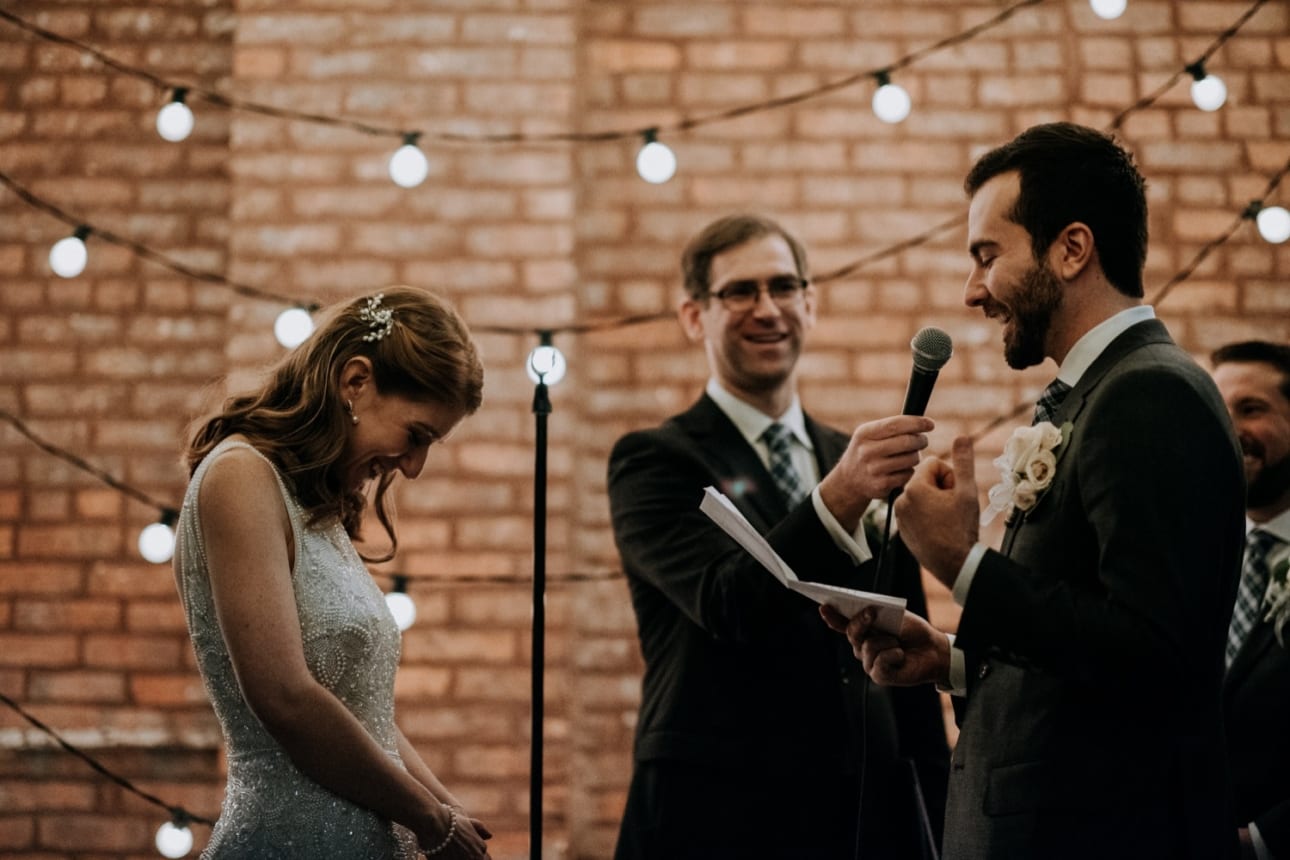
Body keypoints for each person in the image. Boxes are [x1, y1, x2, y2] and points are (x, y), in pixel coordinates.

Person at [823, 123, 1245, 858]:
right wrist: (953, 658)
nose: (972, 290)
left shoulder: (1151, 396)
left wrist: (962, 564)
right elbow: (1086, 642)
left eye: (988, 255)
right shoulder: (1101, 392)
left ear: (1071, 249)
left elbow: (1155, 657)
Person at [608, 214, 950, 860]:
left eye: (784, 287)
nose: (767, 309)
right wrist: (839, 497)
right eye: (740, 291)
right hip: (716, 817)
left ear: (810, 303)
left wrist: (936, 823)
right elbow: (727, 602)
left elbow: (904, 650)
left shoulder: (853, 458)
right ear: (693, 316)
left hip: (862, 819)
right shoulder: (654, 461)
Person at [172, 287, 492, 859]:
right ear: (355, 382)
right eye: (416, 435)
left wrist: (450, 813)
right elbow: (285, 697)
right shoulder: (240, 477)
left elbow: (364, 713)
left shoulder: (317, 507)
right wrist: (427, 817)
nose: (414, 467)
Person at [1212, 341, 1290, 860]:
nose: (1229, 428)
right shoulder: (1198, 551)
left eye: (1251, 409)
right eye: (1218, 411)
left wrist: (1263, 841)